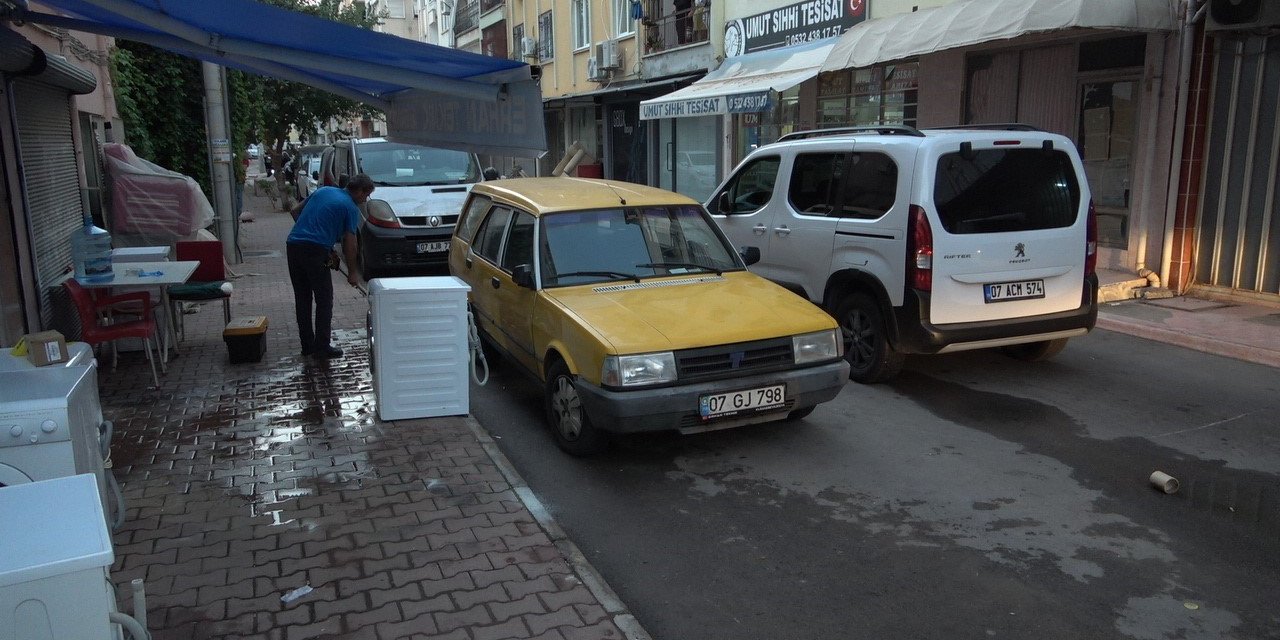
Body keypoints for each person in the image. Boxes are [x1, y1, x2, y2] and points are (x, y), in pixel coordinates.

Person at [285, 174, 374, 359]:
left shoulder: (324, 191)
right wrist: (352, 273)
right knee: (324, 299)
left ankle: (308, 346)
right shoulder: (350, 207)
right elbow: (351, 244)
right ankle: (322, 347)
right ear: (358, 191)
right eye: (366, 195)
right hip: (315, 251)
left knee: (303, 299)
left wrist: (321, 240)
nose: (365, 200)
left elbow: (295, 212)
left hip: (293, 246)